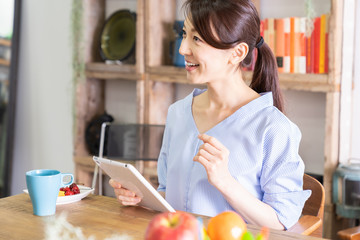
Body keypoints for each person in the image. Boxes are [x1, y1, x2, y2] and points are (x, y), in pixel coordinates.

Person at [109, 0, 311, 230]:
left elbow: (281, 221)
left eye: (197, 39)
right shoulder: (178, 113)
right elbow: (167, 192)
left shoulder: (273, 127)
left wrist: (224, 181)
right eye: (185, 34)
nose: (182, 49)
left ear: (237, 53)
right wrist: (141, 198)